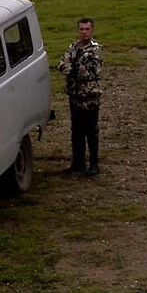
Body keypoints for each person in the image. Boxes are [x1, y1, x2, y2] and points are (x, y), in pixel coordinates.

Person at [58, 16, 104, 176]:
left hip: (90, 97)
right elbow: (61, 65)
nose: (84, 32)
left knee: (91, 131)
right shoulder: (73, 47)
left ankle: (94, 164)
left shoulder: (96, 50)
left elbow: (91, 72)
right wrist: (73, 67)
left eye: (87, 29)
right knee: (76, 131)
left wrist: (72, 67)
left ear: (92, 30)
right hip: (75, 95)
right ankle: (78, 163)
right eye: (81, 29)